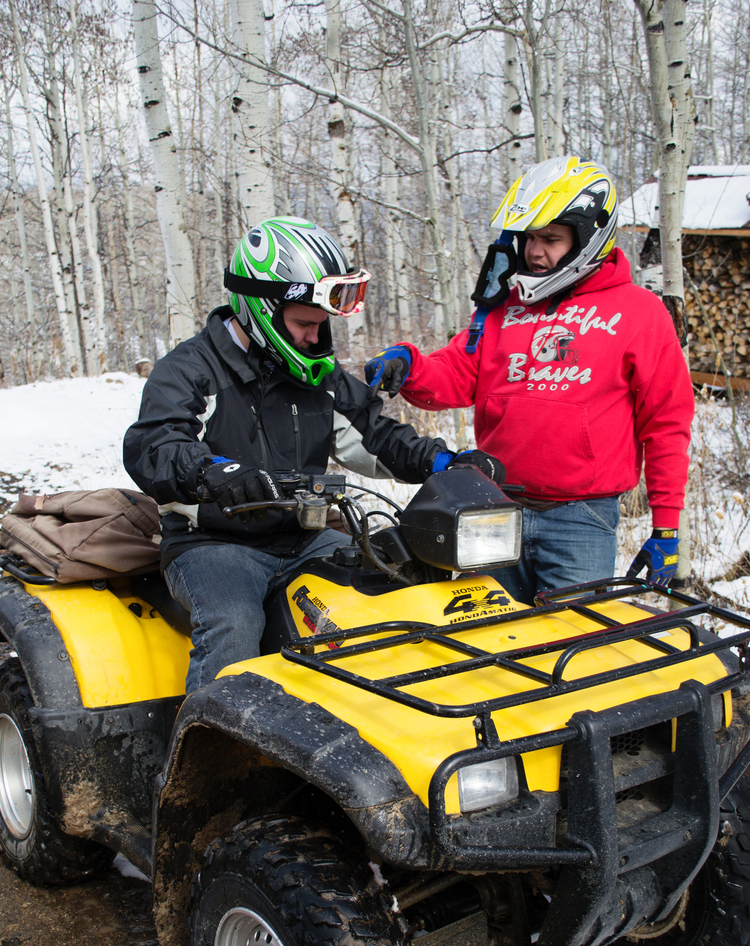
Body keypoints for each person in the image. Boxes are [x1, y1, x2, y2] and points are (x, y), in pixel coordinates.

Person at [123, 216, 503, 692]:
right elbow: (154, 445)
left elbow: (376, 436)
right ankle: (211, 752)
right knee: (234, 625)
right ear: (261, 309)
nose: (313, 338)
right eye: (304, 324)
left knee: (386, 593)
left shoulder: (317, 376)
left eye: (321, 325)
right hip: (212, 544)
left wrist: (446, 462)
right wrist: (214, 472)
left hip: (304, 538)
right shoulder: (190, 369)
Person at [364, 156, 694, 605]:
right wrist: (409, 365)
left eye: (551, 239)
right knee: (490, 643)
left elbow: (667, 423)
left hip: (581, 519)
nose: (535, 252)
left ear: (589, 238)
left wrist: (667, 526)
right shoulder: (506, 308)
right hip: (495, 510)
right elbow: (458, 374)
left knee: (572, 649)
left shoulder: (639, 312)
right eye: (530, 238)